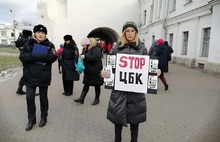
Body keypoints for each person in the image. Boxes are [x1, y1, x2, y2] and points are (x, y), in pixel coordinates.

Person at [101, 21, 148, 142]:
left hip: (135, 91)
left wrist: (155, 71)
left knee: (135, 119)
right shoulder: (117, 48)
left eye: (133, 31)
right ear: (124, 33)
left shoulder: (142, 48)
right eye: (127, 31)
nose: (130, 33)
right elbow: (110, 67)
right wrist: (104, 73)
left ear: (136, 33)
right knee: (117, 118)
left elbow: (147, 68)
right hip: (119, 90)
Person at [19, 24, 57, 131]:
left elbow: (53, 57)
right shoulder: (28, 43)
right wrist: (35, 56)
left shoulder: (50, 45)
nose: (40, 34)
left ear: (45, 34)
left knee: (43, 98)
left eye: (43, 33)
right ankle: (31, 120)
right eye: (38, 32)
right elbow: (22, 57)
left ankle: (43, 117)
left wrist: (36, 56)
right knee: (29, 98)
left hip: (43, 76)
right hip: (30, 76)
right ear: (35, 33)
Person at [74, 37, 103, 105]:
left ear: (89, 44)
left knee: (97, 85)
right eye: (82, 45)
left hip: (96, 70)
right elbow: (84, 56)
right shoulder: (85, 49)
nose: (83, 47)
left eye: (84, 45)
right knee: (86, 84)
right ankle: (81, 98)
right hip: (88, 71)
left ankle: (97, 99)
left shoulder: (95, 49)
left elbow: (95, 57)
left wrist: (85, 57)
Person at [15, 29, 33, 95]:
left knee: (26, 73)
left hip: (23, 58)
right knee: (27, 74)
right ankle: (24, 90)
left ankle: (20, 88)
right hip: (28, 59)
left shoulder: (20, 39)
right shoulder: (26, 40)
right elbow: (29, 49)